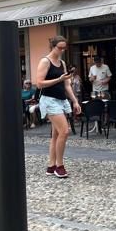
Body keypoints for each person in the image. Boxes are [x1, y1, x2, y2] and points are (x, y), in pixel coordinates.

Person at [36, 35, 81, 179]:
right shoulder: (45, 61)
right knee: (65, 131)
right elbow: (39, 83)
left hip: (61, 100)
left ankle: (51, 166)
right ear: (53, 46)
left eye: (64, 48)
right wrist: (58, 79)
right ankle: (59, 166)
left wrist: (75, 101)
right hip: (49, 100)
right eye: (59, 47)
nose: (62, 50)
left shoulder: (62, 63)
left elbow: (66, 84)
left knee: (56, 134)